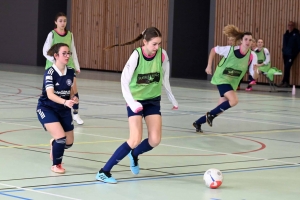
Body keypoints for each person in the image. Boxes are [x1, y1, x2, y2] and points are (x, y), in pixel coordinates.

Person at [95, 27, 178, 184]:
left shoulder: (162, 55)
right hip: (135, 100)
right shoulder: (136, 56)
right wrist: (132, 103)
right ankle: (104, 172)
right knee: (134, 139)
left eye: (159, 44)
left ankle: (134, 155)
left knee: (155, 140)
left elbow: (165, 78)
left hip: (153, 100)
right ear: (144, 42)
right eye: (154, 44)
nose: (157, 48)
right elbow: (124, 81)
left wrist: (172, 98)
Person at [193, 25, 259, 133]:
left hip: (232, 81)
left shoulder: (252, 56)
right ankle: (210, 116)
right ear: (241, 41)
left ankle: (198, 122)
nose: (248, 41)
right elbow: (213, 50)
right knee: (234, 100)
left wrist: (256, 71)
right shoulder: (230, 50)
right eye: (246, 39)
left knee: (220, 108)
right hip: (222, 77)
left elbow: (254, 76)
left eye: (250, 40)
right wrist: (209, 65)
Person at [37, 43, 78, 174]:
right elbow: (50, 94)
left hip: (64, 109)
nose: (67, 56)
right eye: (64, 53)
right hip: (47, 108)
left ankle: (54, 144)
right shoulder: (49, 73)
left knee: (69, 142)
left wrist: (74, 98)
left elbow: (74, 91)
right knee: (61, 137)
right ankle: (56, 165)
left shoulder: (71, 71)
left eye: (69, 53)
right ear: (56, 56)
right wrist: (65, 101)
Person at [43, 12, 84, 125]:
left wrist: (76, 65)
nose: (63, 23)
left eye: (64, 21)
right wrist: (55, 61)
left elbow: (73, 50)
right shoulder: (52, 34)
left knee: (74, 89)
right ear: (56, 22)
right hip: (54, 65)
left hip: (68, 65)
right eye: (60, 21)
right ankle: (52, 111)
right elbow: (45, 51)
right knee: (54, 91)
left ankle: (75, 113)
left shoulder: (70, 35)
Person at [278, 21, 300, 87]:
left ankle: (285, 82)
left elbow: (299, 45)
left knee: (287, 67)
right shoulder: (286, 34)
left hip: (291, 54)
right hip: (285, 53)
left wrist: (294, 53)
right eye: (289, 25)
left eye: (291, 25)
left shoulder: (296, 35)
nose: (290, 26)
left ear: (294, 26)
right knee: (286, 67)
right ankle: (285, 81)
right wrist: (283, 50)